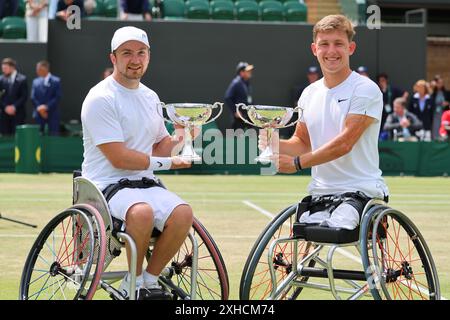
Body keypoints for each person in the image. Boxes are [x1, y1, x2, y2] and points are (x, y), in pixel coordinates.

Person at [80, 26, 194, 300]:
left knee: (183, 213)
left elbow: (158, 146)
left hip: (144, 184)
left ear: (149, 57)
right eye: (127, 53)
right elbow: (119, 157)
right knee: (141, 213)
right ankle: (131, 284)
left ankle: (148, 280)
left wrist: (183, 134)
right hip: (105, 185)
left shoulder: (151, 97)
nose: (135, 59)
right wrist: (171, 163)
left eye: (141, 53)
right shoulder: (100, 98)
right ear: (113, 58)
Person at [259, 14, 389, 230]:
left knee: (333, 229)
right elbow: (301, 142)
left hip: (361, 192)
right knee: (292, 238)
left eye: (338, 44)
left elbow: (345, 143)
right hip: (319, 193)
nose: (331, 51)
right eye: (324, 44)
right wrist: (274, 143)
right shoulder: (309, 93)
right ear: (314, 49)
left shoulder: (365, 89)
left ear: (351, 48)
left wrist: (297, 164)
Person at [31, 60, 62, 135]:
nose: (37, 71)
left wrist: (46, 107)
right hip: (38, 115)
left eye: (39, 69)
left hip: (52, 114)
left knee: (53, 135)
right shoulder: (35, 81)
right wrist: (40, 108)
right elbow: (33, 97)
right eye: (37, 69)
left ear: (46, 69)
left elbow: (57, 97)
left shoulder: (56, 81)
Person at [376, 72, 408, 140]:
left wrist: (401, 102)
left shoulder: (392, 89)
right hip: (381, 115)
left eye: (383, 80)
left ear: (386, 80)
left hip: (392, 114)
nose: (382, 82)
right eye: (380, 81)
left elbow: (405, 93)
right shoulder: (377, 90)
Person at [0, 58, 28, 136]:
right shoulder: (1, 79)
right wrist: (5, 107)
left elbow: (24, 96)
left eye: (5, 68)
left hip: (18, 115)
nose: (3, 70)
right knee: (5, 137)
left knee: (18, 137)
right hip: (4, 116)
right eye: (3, 68)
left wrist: (14, 107)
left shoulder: (22, 79)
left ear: (12, 67)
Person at [224, 61, 254, 130]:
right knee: (237, 139)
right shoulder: (236, 83)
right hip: (239, 119)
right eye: (247, 71)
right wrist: (235, 111)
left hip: (247, 116)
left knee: (249, 138)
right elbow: (227, 97)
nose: (250, 72)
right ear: (241, 72)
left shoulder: (246, 82)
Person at [430, 75, 450, 140]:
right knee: (435, 129)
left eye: (441, 83)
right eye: (439, 83)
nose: (440, 84)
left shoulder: (447, 93)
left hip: (444, 114)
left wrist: (447, 104)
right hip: (436, 115)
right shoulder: (433, 93)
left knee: (444, 128)